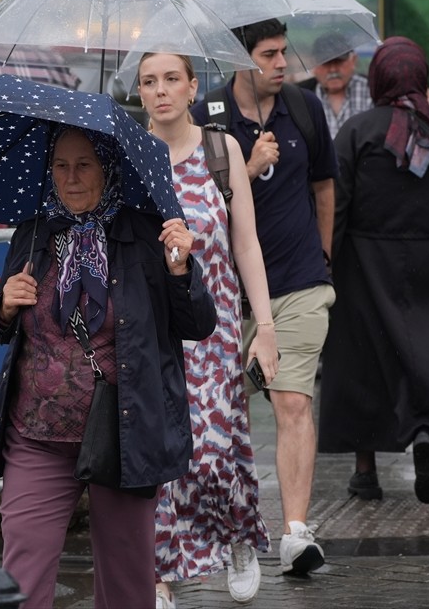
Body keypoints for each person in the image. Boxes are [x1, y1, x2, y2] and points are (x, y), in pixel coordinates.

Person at [0, 127, 216, 609]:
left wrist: (180, 270)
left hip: (123, 433)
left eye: (84, 165)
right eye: (60, 166)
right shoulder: (34, 232)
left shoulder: (146, 233)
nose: (70, 178)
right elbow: (1, 328)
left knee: (128, 582)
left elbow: (197, 324)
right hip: (37, 430)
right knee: (21, 575)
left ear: (108, 167)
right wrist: (3, 306)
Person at [191, 18, 338, 578]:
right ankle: (232, 532)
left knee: (293, 401)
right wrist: (244, 171)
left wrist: (322, 257)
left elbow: (325, 185)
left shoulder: (303, 109)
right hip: (227, 295)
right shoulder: (207, 118)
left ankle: (296, 533)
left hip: (299, 283)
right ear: (241, 60)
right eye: (270, 54)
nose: (282, 64)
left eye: (284, 53)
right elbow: (196, 208)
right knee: (222, 418)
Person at [138, 52, 277, 607]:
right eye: (149, 82)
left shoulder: (222, 150)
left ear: (193, 86)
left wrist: (263, 327)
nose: (161, 90)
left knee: (216, 450)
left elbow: (245, 243)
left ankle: (238, 537)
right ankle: (158, 574)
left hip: (215, 332)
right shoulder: (131, 155)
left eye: (172, 79)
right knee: (160, 456)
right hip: (153, 333)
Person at [319, 37, 429, 504]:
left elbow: (339, 199)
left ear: (379, 78)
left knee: (364, 359)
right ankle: (426, 432)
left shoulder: (357, 129)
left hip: (367, 262)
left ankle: (365, 470)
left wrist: (326, 260)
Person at [308, 34, 374, 140]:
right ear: (314, 65)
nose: (333, 69)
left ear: (353, 60)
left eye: (339, 62)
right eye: (326, 63)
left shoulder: (371, 91)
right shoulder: (303, 98)